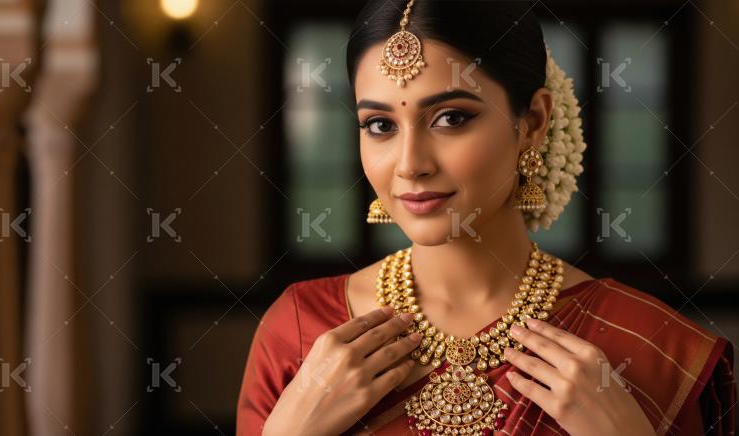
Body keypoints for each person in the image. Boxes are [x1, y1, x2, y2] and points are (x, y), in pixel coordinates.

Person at [236, 1, 736, 435]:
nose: (410, 163)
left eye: (451, 117)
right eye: (381, 125)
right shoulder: (302, 332)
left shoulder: (650, 346)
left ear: (532, 122)